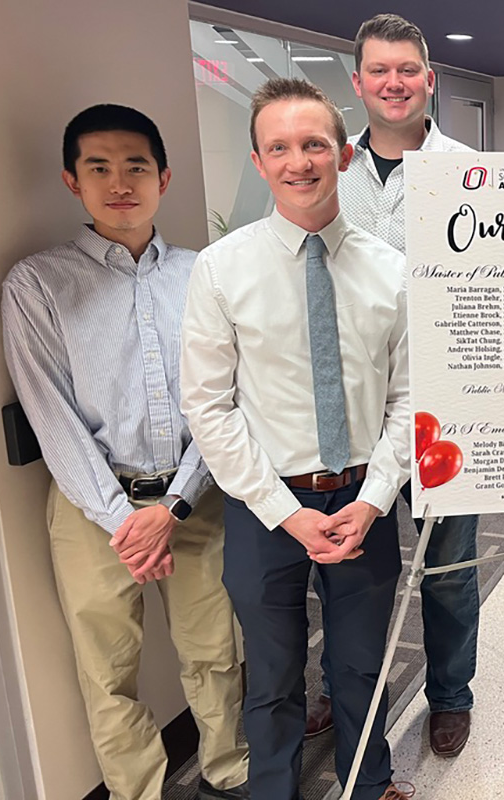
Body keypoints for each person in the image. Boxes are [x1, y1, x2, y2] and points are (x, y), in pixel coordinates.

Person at [1, 105, 249, 800]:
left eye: (135, 166)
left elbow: (220, 401)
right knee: (107, 670)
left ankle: (232, 771)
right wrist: (124, 521)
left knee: (216, 651)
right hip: (91, 511)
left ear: (163, 177)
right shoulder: (37, 283)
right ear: (70, 180)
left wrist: (170, 506)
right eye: (98, 168)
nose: (119, 182)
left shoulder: (206, 274)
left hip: (195, 499)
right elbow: (51, 416)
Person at [180, 78, 413, 800]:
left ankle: (368, 784)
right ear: (258, 162)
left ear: (344, 154)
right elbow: (209, 407)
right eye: (279, 147)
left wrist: (374, 498)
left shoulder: (391, 270)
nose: (299, 161)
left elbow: (412, 399)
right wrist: (285, 511)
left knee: (360, 667)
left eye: (314, 144)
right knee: (273, 675)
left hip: (362, 503)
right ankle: (272, 790)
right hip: (264, 507)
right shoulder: (221, 269)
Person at [304, 13, 479, 759]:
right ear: (358, 84)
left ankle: (449, 695)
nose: (394, 82)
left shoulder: (471, 170)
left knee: (446, 565)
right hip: (347, 408)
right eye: (379, 71)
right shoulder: (324, 169)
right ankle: (336, 687)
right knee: (345, 568)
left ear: (429, 78)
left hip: (446, 407)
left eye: (407, 69)